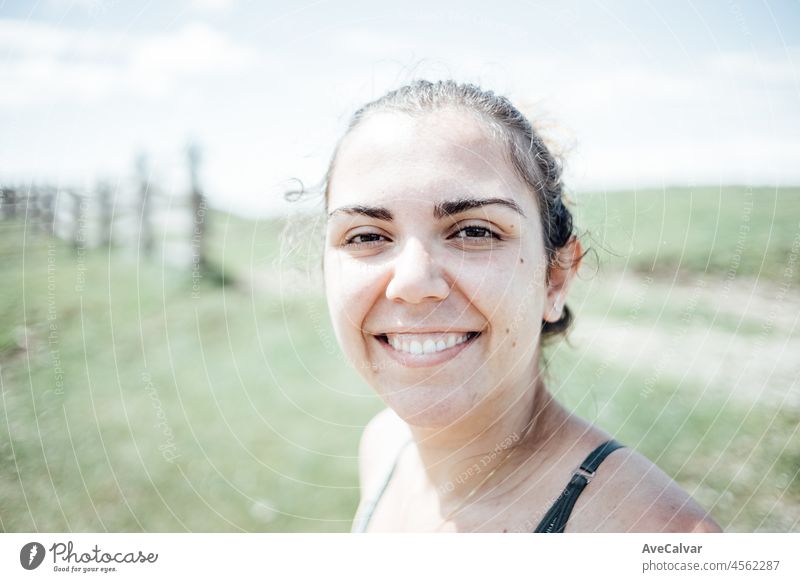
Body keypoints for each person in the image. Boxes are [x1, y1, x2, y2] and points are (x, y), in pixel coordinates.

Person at [320, 79, 721, 533]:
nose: (412, 283)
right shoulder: (384, 445)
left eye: (474, 231)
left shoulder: (653, 532)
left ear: (555, 278)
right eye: (366, 236)